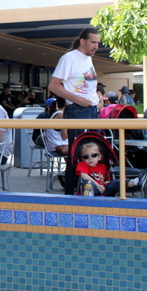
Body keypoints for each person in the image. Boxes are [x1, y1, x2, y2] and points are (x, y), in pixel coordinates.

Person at [48, 26, 101, 195]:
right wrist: (77, 99)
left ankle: (88, 190)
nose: (96, 46)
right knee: (79, 155)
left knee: (92, 153)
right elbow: (53, 85)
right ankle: (72, 194)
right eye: (93, 42)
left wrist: (96, 100)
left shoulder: (87, 59)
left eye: (98, 43)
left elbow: (86, 85)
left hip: (90, 110)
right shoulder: (69, 58)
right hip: (78, 110)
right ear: (83, 41)